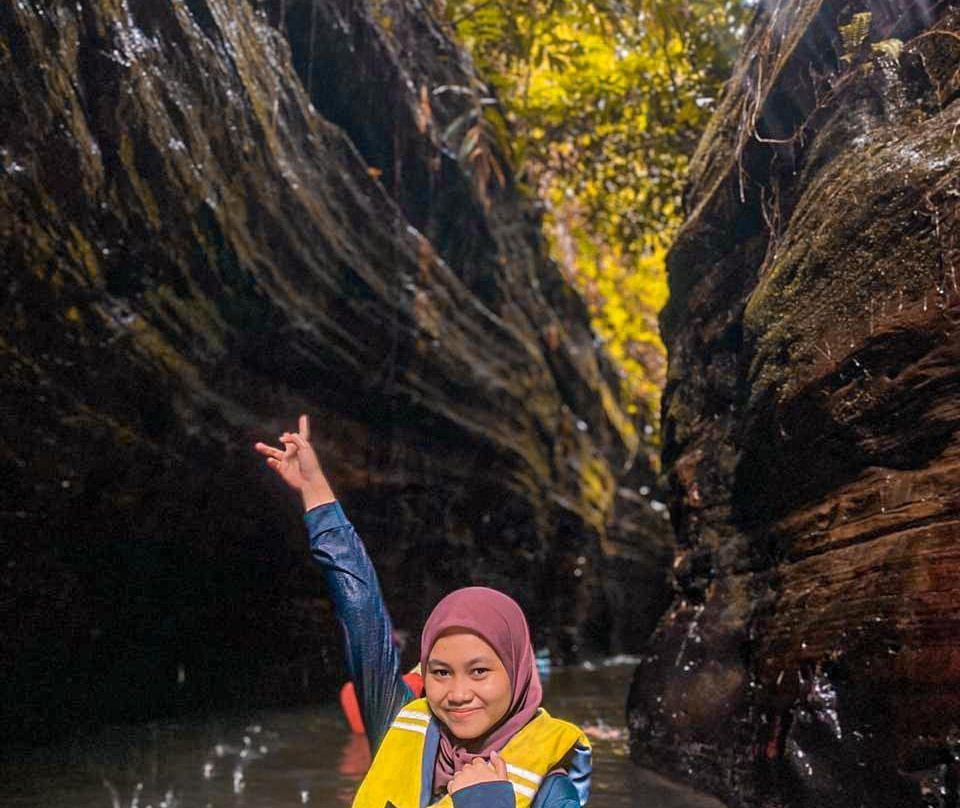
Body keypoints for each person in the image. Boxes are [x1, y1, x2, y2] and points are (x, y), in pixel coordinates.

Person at [255, 416, 591, 808]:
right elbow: (360, 610)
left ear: (516, 673)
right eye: (441, 672)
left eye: (479, 671)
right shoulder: (399, 721)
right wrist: (315, 490)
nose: (458, 694)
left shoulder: (552, 788)